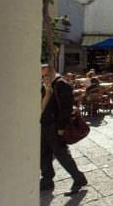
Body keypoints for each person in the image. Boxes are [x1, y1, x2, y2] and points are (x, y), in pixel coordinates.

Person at [40, 65, 87, 195]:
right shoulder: (47, 85)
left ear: (52, 73)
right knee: (43, 153)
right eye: (42, 76)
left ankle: (79, 179)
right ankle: (47, 180)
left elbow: (66, 109)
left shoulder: (61, 84)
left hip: (55, 126)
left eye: (46, 76)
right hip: (45, 124)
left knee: (61, 154)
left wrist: (61, 127)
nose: (44, 78)